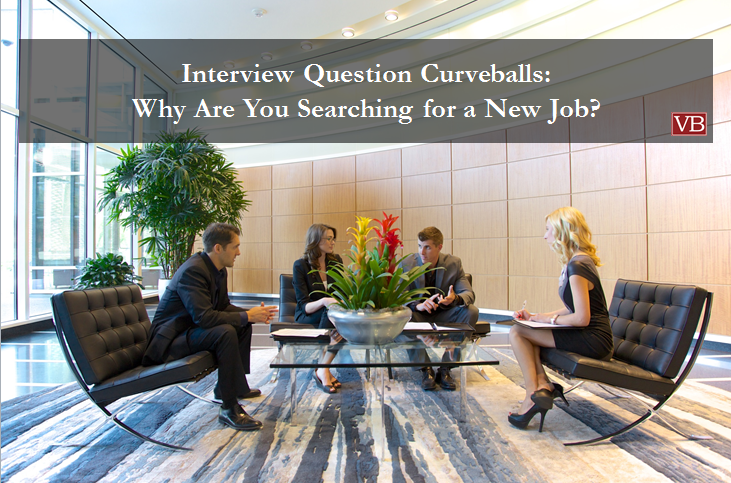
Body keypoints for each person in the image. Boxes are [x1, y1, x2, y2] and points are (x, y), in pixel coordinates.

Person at [142, 223, 278, 431]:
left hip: (191, 330)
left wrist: (251, 314)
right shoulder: (193, 271)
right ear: (218, 248)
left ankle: (233, 386)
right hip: (170, 341)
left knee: (243, 324)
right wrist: (246, 315)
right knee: (225, 332)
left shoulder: (218, 269)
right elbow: (204, 317)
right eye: (235, 247)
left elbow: (222, 307)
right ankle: (229, 408)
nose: (239, 253)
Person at [509, 207, 613, 432]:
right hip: (588, 334)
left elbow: (582, 318)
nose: (545, 236)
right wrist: (537, 318)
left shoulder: (578, 265)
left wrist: (551, 321)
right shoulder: (577, 261)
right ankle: (541, 386)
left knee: (518, 332)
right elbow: (571, 309)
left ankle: (532, 393)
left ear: (562, 232)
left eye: (548, 230)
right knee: (525, 330)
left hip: (594, 340)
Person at [399, 226, 479, 391]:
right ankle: (425, 368)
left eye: (427, 247)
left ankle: (446, 367)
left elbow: (468, 294)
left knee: (471, 312)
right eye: (420, 246)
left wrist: (455, 299)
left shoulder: (453, 263)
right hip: (418, 316)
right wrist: (417, 305)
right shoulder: (407, 263)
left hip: (444, 314)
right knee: (401, 316)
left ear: (439, 247)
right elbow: (399, 297)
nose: (422, 252)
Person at [292, 224, 344, 394]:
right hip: (308, 314)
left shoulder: (336, 262)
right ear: (315, 240)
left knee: (340, 318)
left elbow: (341, 291)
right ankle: (323, 369)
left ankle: (323, 368)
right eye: (328, 238)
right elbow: (304, 306)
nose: (332, 242)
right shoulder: (300, 266)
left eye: (333, 238)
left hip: (331, 313)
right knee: (332, 315)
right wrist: (324, 301)